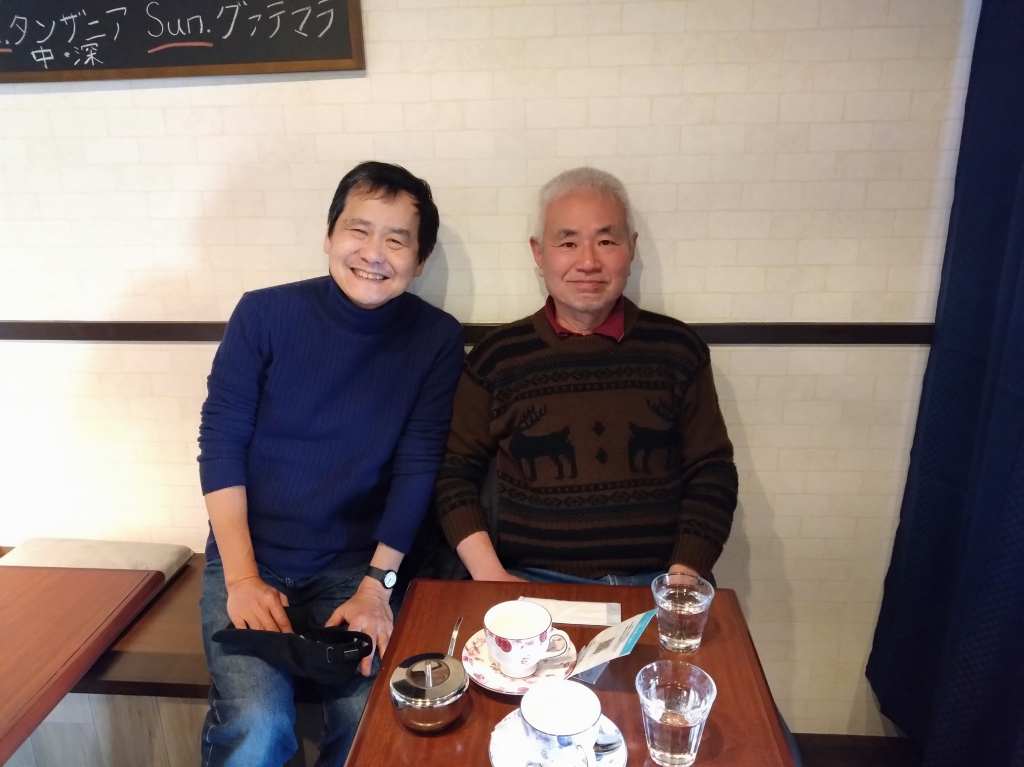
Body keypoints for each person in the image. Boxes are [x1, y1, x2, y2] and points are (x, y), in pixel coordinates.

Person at [196, 161, 463, 767]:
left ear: (420, 260)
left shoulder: (436, 339)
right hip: (250, 557)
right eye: (358, 230)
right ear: (329, 235)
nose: (373, 254)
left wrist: (377, 587)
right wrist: (242, 579)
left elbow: (418, 465)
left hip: (354, 568)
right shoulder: (263, 315)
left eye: (396, 240)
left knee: (374, 717)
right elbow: (221, 443)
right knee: (258, 723)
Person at [435, 167, 738, 586]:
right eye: (568, 242)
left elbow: (712, 470)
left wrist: (684, 575)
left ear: (631, 248)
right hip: (529, 580)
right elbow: (453, 474)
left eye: (607, 241)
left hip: (658, 580)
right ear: (539, 253)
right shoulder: (497, 357)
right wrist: (491, 576)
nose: (589, 262)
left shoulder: (678, 349)